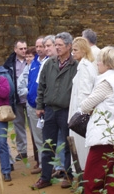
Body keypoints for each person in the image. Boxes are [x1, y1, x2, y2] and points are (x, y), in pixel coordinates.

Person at [81, 46, 114, 194]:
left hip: (105, 138)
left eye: (100, 60)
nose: (97, 63)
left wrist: (91, 108)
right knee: (111, 181)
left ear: (108, 63)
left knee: (91, 180)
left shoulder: (107, 82)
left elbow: (85, 105)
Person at [33, 32, 78, 190]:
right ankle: (45, 177)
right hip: (50, 110)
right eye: (56, 44)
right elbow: (41, 87)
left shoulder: (76, 65)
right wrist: (39, 106)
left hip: (66, 110)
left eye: (59, 45)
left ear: (69, 46)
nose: (57, 47)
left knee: (67, 145)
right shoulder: (49, 63)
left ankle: (68, 175)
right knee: (48, 145)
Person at [68, 37, 97, 170]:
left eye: (75, 50)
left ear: (84, 50)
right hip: (78, 109)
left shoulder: (85, 67)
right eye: (72, 50)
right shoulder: (83, 65)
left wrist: (80, 114)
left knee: (80, 146)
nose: (73, 53)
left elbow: (85, 93)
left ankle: (82, 175)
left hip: (80, 112)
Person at [26, 37, 50, 174]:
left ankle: (52, 166)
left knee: (48, 136)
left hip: (45, 106)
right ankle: (42, 163)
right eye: (37, 46)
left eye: (42, 46)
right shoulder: (34, 62)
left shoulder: (49, 62)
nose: (39, 49)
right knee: (38, 137)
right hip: (32, 105)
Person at [3, 40, 28, 161]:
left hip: (29, 99)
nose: (24, 51)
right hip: (17, 99)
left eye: (25, 48)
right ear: (15, 50)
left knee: (35, 127)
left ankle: (38, 151)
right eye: (21, 48)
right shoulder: (9, 64)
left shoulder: (31, 60)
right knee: (18, 125)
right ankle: (22, 151)